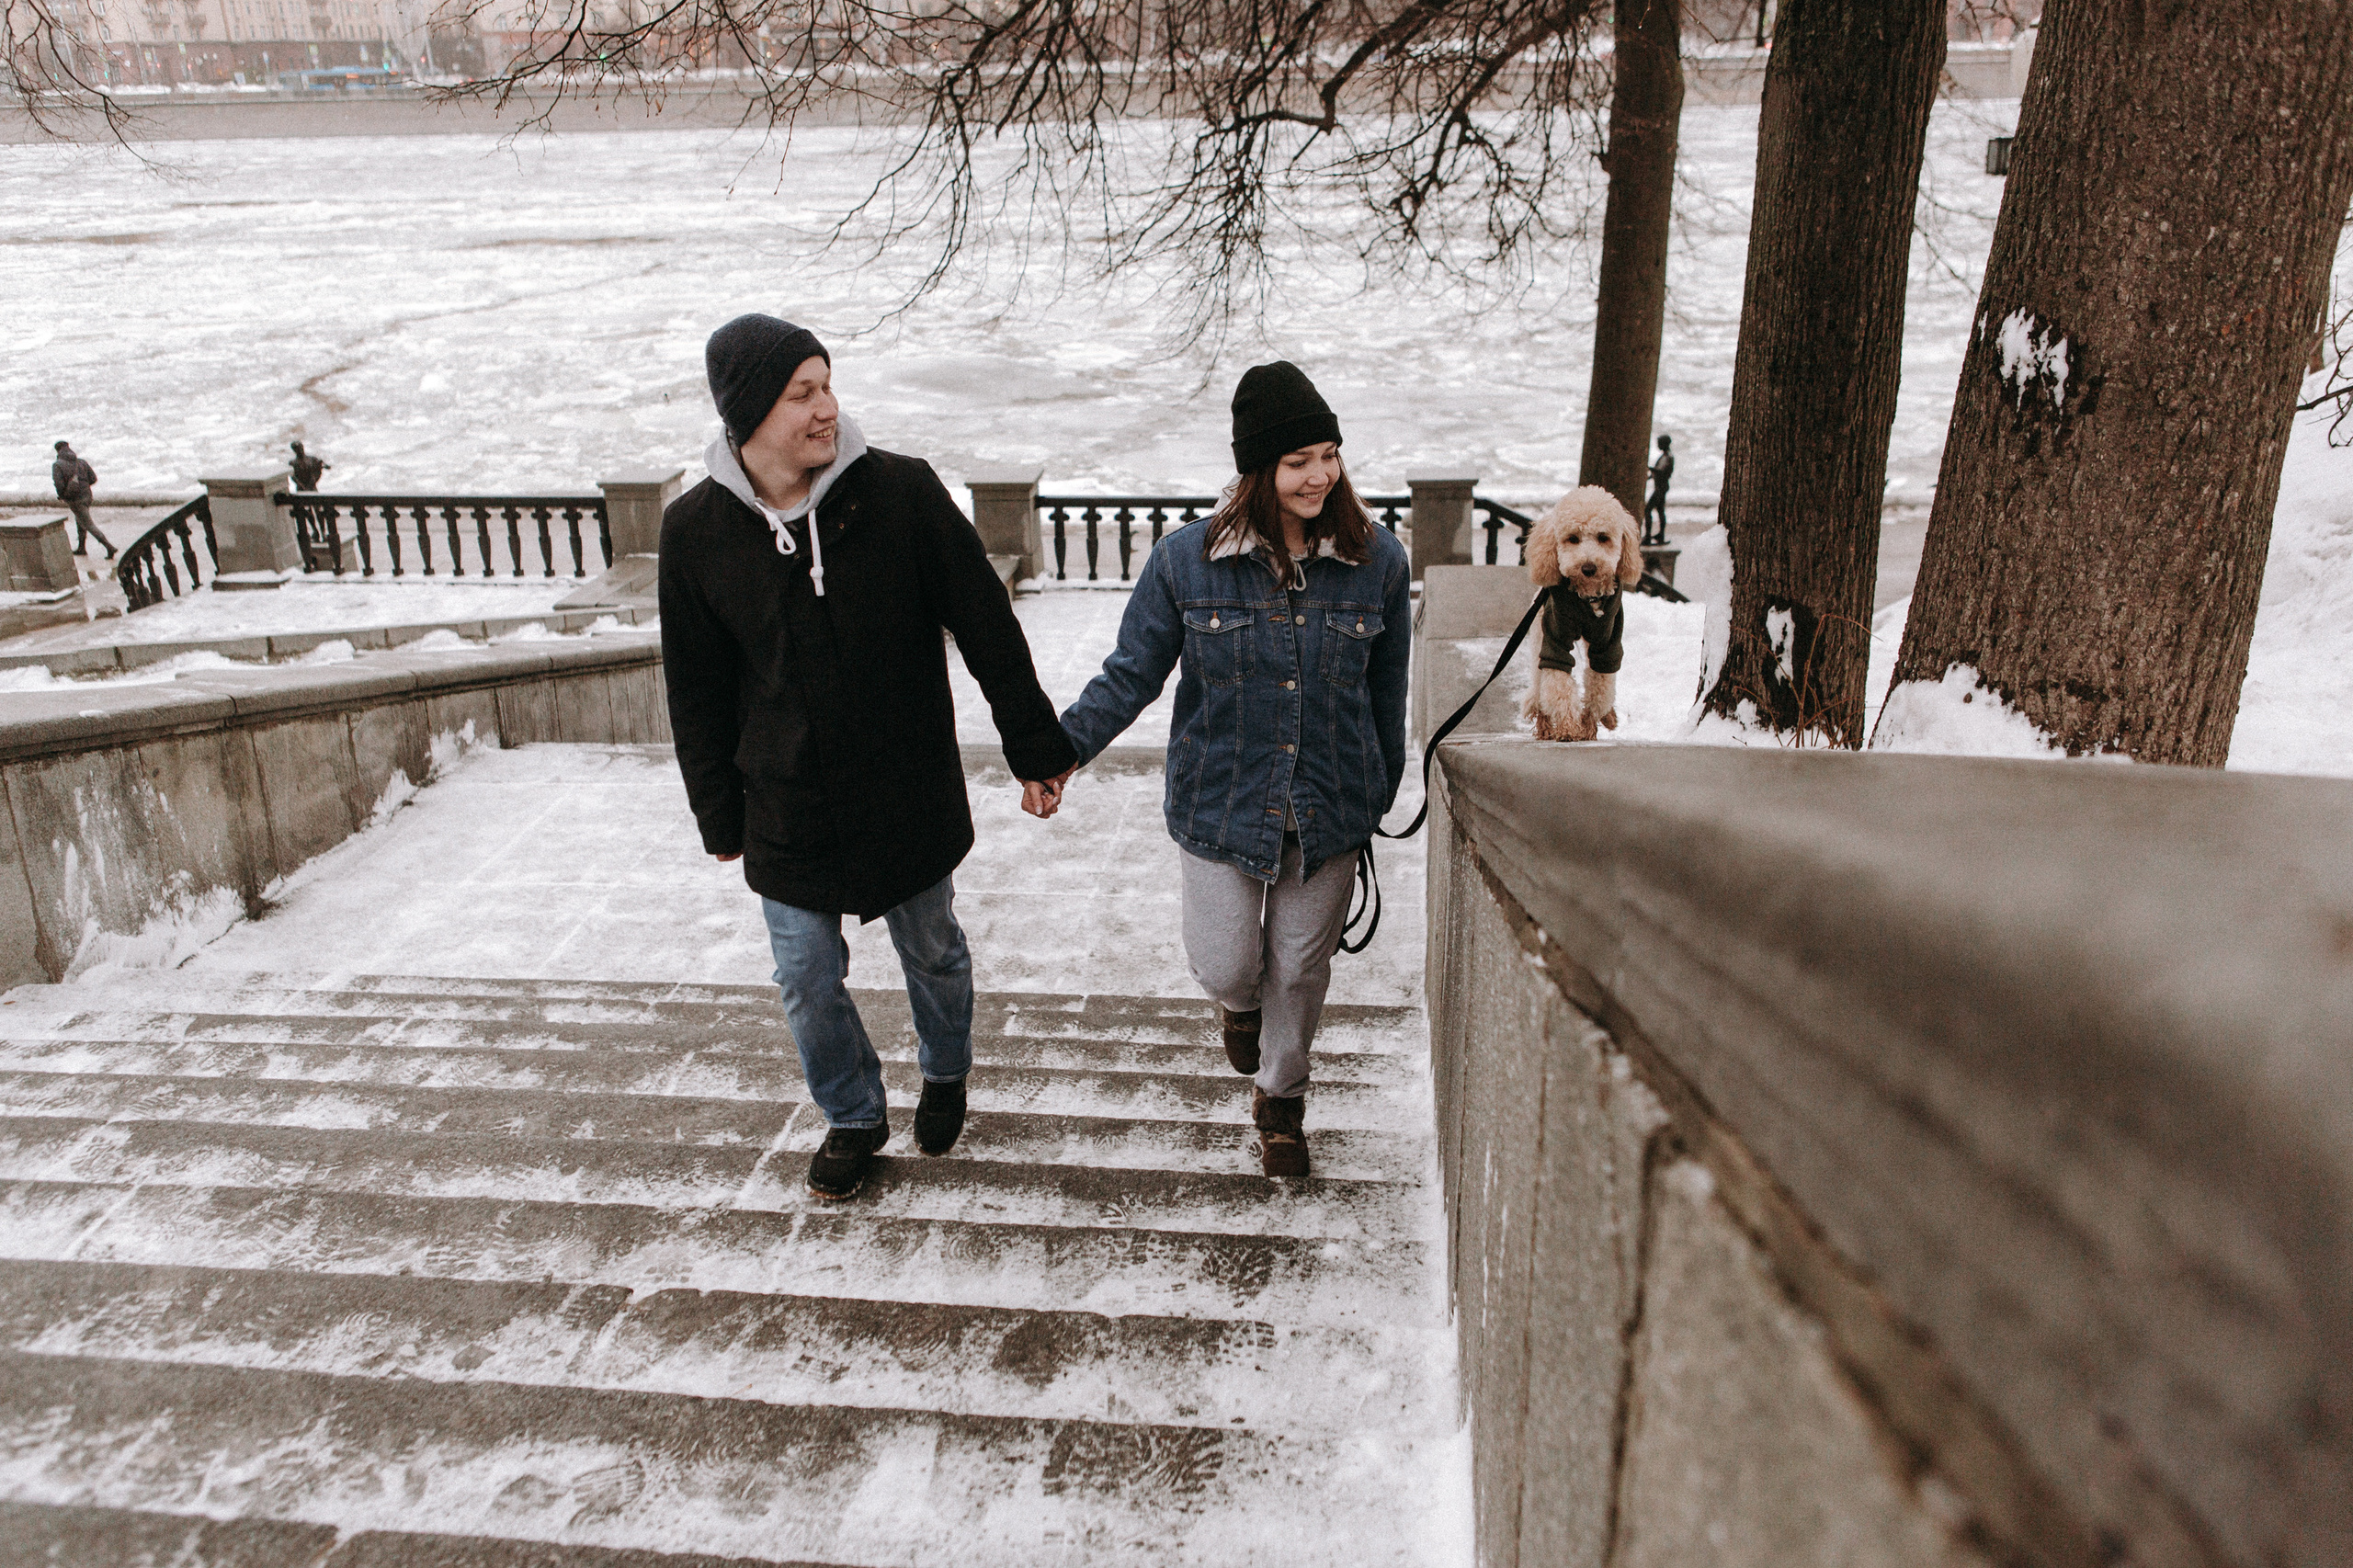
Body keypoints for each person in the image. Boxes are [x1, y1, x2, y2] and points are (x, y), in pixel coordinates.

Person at [659, 314, 1078, 1202]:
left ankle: (947, 1067)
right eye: (801, 392)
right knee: (805, 977)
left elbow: (985, 621)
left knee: (932, 952)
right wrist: (717, 812)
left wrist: (1034, 742)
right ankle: (851, 1116)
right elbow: (694, 690)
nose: (827, 408)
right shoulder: (696, 532)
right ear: (748, 415)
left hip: (904, 785)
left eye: (826, 385)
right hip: (784, 801)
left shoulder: (901, 492)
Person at [1038, 362, 1411, 1178]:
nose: (1319, 475)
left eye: (1329, 454)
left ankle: (1283, 1099)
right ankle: (1237, 1007)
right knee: (1229, 962)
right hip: (1220, 800)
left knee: (1303, 964)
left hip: (1331, 805)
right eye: (1297, 461)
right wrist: (1058, 751)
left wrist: (1379, 786)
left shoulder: (1375, 561)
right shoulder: (1185, 564)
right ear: (1258, 471)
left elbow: (1389, 691)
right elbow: (1131, 673)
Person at [51, 441, 112, 559]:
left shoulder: (57, 465)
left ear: (58, 451)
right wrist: (83, 487)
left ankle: (109, 547)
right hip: (88, 496)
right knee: (80, 520)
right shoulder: (81, 462)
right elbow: (93, 479)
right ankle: (81, 548)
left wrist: (63, 495)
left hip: (75, 499)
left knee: (88, 524)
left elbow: (58, 484)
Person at [1644, 432, 1674, 542]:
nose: (1658, 445)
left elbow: (1661, 471)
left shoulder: (1668, 457)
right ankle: (1660, 535)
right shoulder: (1665, 456)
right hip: (1661, 487)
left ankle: (1648, 536)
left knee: (1648, 510)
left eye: (1659, 443)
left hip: (1661, 488)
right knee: (1660, 510)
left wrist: (1648, 468)